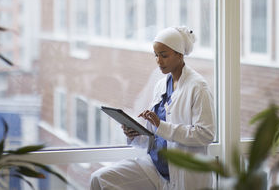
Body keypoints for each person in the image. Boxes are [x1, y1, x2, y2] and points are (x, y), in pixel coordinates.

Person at [90, 26, 215, 190]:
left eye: (164, 55)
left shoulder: (198, 87)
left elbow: (205, 134)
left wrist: (161, 126)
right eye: (156, 55)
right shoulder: (161, 85)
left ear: (179, 54)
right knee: (100, 179)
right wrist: (136, 134)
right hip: (154, 166)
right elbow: (156, 135)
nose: (158, 61)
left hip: (182, 173)